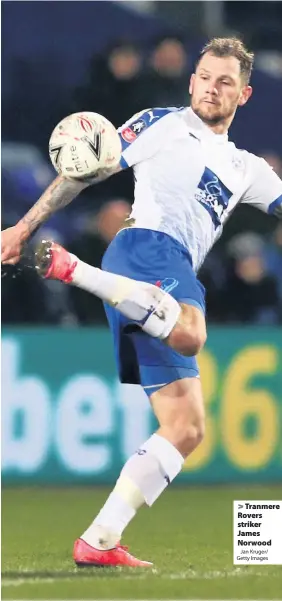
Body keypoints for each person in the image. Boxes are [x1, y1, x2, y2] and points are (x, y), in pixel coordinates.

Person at [2, 37, 282, 568]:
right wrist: (22, 226)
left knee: (187, 426)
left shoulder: (247, 167)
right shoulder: (161, 123)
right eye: (204, 76)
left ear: (244, 95)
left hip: (159, 285)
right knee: (193, 332)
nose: (210, 87)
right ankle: (71, 269)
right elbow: (84, 171)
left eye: (225, 81)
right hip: (144, 251)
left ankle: (99, 540)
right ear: (192, 79)